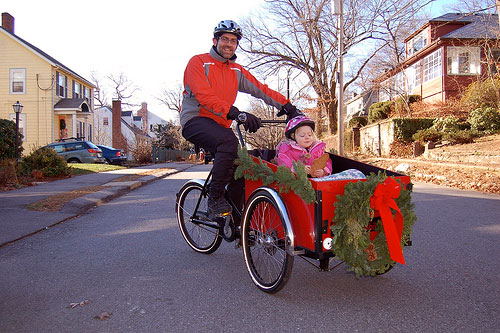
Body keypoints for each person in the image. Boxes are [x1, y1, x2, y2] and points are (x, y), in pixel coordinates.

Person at [180, 19, 301, 220]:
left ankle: (238, 222)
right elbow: (204, 96)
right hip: (195, 120)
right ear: (215, 40)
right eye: (225, 39)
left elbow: (261, 89)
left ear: (237, 44)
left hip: (220, 124)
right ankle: (214, 198)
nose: (229, 44)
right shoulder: (198, 62)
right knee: (228, 143)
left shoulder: (236, 71)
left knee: (241, 165)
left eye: (233, 40)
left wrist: (288, 106)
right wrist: (237, 113)